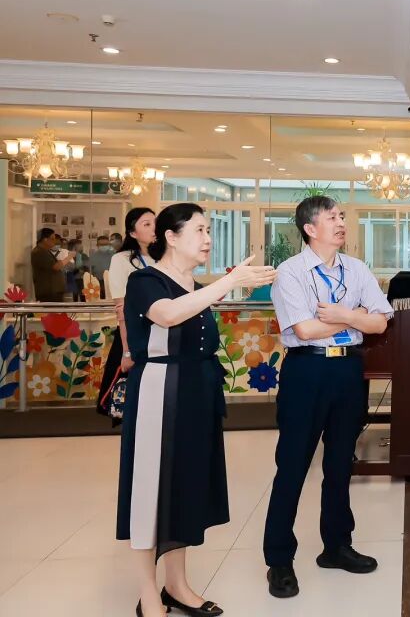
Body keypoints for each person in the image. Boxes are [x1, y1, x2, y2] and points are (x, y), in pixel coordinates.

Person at [116, 203, 276, 617]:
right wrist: (230, 282)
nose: (208, 239)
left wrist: (225, 284)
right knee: (150, 491)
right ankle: (148, 594)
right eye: (200, 230)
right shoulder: (145, 280)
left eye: (208, 231)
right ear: (171, 237)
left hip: (194, 394)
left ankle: (177, 586)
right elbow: (168, 315)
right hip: (158, 394)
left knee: (184, 488)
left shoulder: (194, 284)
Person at [264, 196, 393, 599]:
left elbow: (380, 321)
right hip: (307, 370)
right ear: (310, 228)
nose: (341, 223)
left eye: (341, 216)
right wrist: (356, 319)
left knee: (340, 464)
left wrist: (343, 316)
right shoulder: (291, 272)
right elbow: (303, 330)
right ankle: (279, 560)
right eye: (332, 217)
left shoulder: (356, 268)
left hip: (347, 370)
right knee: (293, 465)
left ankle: (336, 546)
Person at [105, 209, 157, 386]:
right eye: (147, 224)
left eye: (155, 222)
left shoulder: (165, 257)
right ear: (133, 233)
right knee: (129, 392)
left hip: (162, 336)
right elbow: (122, 309)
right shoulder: (121, 259)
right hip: (135, 336)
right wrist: (127, 352)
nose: (154, 228)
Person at [31, 227, 74, 301]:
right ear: (45, 239)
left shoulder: (45, 251)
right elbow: (56, 266)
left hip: (53, 291)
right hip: (49, 292)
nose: (54, 241)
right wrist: (69, 257)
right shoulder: (39, 252)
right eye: (52, 239)